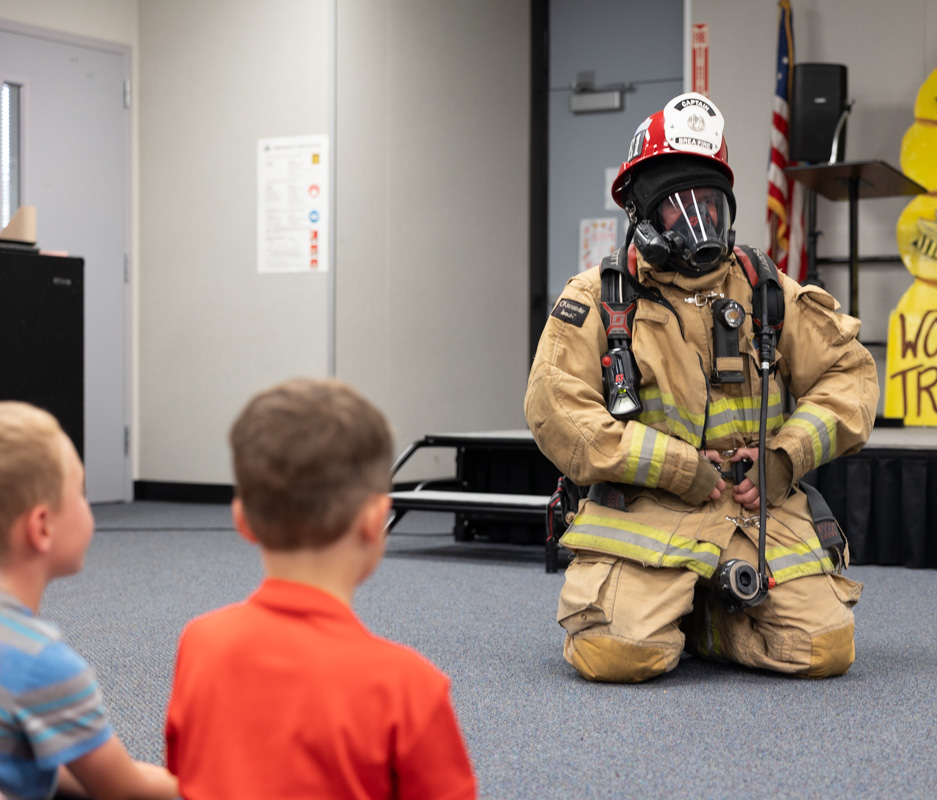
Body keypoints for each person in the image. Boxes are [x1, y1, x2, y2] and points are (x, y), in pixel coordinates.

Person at [525, 92, 879, 683]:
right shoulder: (595, 298)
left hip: (752, 507)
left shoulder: (765, 288)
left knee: (824, 649)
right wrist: (676, 467)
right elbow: (555, 409)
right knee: (616, 655)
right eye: (679, 208)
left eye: (711, 205)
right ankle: (680, 610)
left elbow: (852, 374)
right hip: (649, 509)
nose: (701, 225)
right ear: (641, 213)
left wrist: (783, 459)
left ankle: (707, 621)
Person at [164, 378, 476, 800]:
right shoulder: (409, 687)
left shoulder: (200, 643)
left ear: (242, 519)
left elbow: (187, 778)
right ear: (375, 520)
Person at [0, 402, 180, 800]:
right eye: (81, 493)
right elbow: (125, 791)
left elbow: (54, 766)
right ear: (42, 527)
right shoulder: (39, 663)